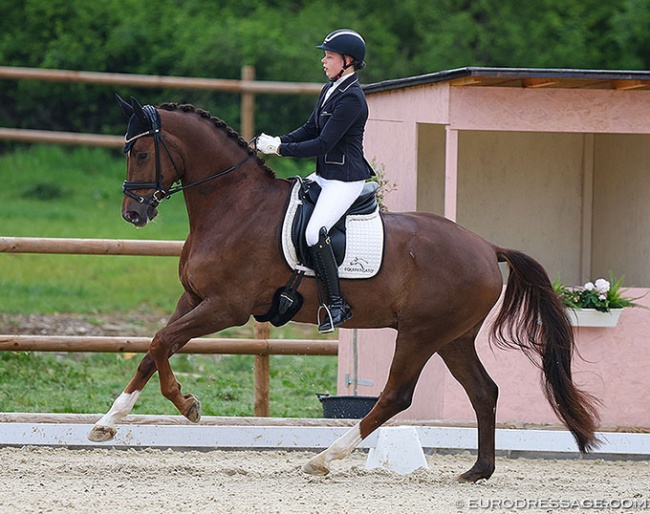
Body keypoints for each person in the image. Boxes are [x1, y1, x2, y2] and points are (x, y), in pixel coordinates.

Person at [257, 29, 374, 333]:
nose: (324, 61)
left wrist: (281, 149)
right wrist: (279, 139)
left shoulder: (353, 99)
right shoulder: (331, 89)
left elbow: (323, 143)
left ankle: (337, 304)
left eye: (330, 56)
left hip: (345, 180)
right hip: (324, 176)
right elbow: (310, 127)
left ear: (348, 62)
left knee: (313, 232)